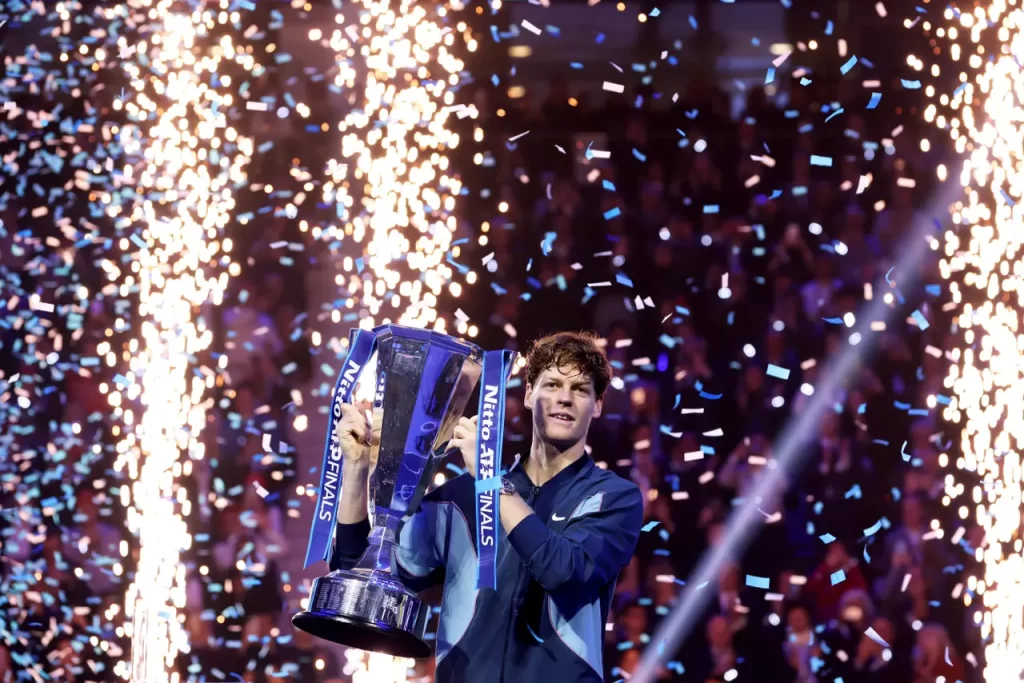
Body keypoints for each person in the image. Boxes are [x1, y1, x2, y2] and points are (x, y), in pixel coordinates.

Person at [331, 330, 644, 683]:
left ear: (597, 405)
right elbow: (361, 570)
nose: (565, 398)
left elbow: (564, 572)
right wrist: (356, 470)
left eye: (581, 389)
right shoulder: (461, 497)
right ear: (529, 394)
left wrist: (491, 480)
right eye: (553, 384)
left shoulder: (613, 497)